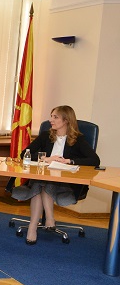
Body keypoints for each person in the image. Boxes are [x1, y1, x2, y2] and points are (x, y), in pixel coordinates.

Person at [10, 105, 100, 245]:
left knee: (43, 184)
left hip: (64, 184)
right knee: (41, 183)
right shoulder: (46, 136)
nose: (51, 120)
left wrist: (69, 161)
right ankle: (43, 222)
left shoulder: (77, 140)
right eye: (51, 116)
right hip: (41, 178)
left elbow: (95, 160)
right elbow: (24, 154)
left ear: (66, 120)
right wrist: (46, 159)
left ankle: (35, 227)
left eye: (55, 117)